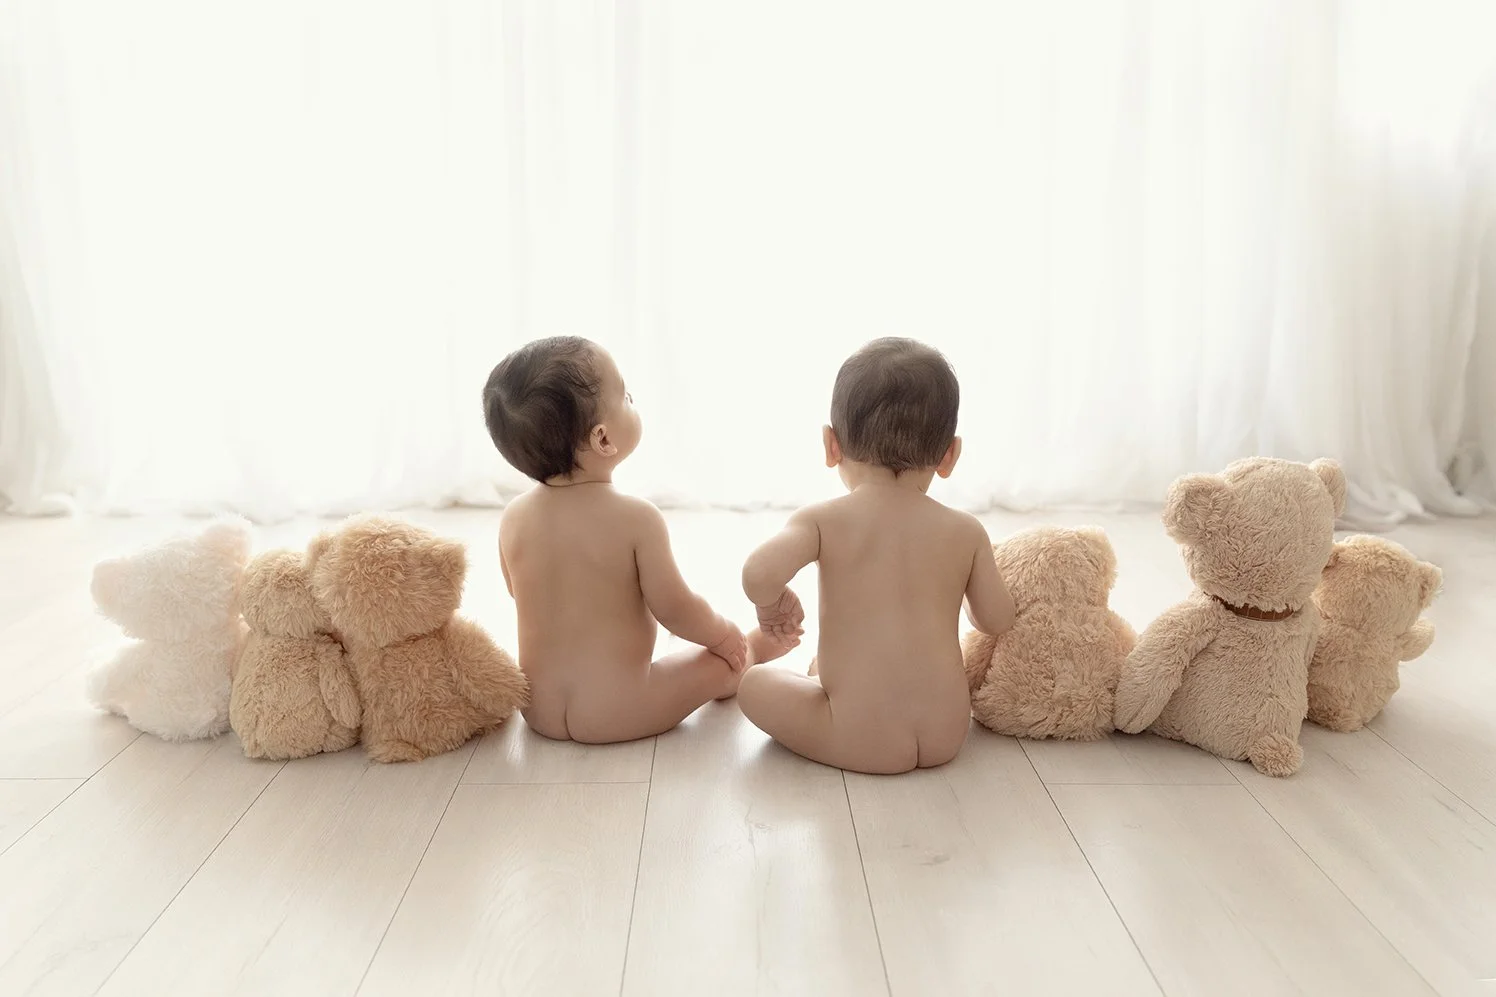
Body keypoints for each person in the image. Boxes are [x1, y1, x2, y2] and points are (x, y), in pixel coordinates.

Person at [484, 337, 797, 743]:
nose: (633, 401)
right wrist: (722, 636)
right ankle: (756, 648)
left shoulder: (513, 517)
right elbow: (675, 608)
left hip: (539, 709)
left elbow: (519, 592)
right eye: (626, 397)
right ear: (603, 440)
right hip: (621, 708)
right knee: (722, 664)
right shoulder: (637, 518)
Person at [738, 337, 1015, 773]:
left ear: (831, 445)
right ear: (949, 455)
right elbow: (996, 619)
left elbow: (757, 574)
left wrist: (773, 606)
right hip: (946, 733)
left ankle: (824, 684)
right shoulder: (966, 532)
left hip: (857, 734)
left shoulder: (822, 521)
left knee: (755, 684)